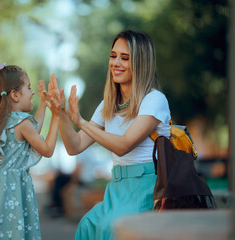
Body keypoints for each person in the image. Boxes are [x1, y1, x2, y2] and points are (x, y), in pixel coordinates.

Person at [54, 29, 171, 239]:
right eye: (113, 55)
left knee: (111, 228)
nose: (116, 63)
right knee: (87, 226)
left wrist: (80, 121)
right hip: (117, 187)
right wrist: (61, 114)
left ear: (141, 63)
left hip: (146, 186)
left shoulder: (154, 100)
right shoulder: (109, 105)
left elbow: (123, 144)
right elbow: (75, 146)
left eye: (124, 58)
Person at [0, 63, 60, 240]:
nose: (32, 93)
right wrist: (57, 116)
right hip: (9, 194)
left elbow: (32, 135)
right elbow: (47, 150)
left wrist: (44, 105)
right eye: (28, 88)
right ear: (15, 95)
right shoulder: (22, 124)